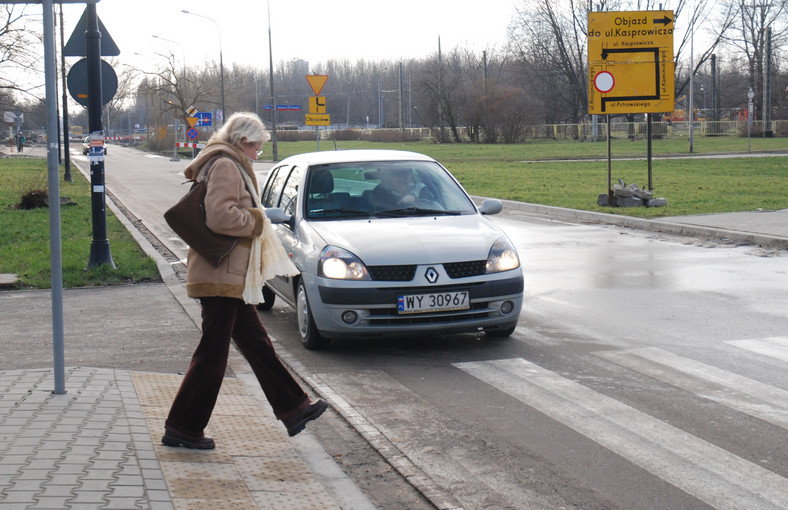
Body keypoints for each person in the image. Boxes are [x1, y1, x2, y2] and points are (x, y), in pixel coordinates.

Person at [162, 112, 327, 449]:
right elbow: (220, 216)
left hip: (230, 274)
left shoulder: (228, 161)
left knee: (257, 345)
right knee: (213, 355)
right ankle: (183, 427)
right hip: (221, 275)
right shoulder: (225, 165)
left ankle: (294, 408)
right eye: (257, 148)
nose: (257, 153)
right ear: (243, 141)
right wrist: (259, 218)